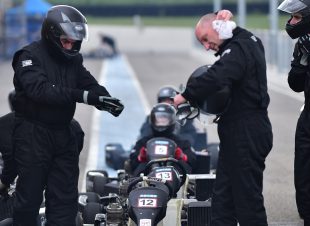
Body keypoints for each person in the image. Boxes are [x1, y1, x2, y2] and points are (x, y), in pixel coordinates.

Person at [11, 5, 124, 226]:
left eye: (75, 42)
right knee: (29, 201)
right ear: (51, 35)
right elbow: (40, 90)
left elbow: (88, 84)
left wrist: (105, 99)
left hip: (63, 135)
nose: (70, 46)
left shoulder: (73, 60)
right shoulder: (28, 57)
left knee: (65, 201)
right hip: (33, 135)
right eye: (66, 41)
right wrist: (84, 96)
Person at [173, 11, 273, 226]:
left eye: (206, 39)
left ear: (218, 28)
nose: (207, 47)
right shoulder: (244, 43)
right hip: (237, 133)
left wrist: (185, 95)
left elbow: (218, 75)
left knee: (248, 203)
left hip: (247, 132)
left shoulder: (240, 47)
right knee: (223, 202)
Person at [278, 0, 310, 225]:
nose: (291, 22)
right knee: (303, 174)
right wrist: (301, 63)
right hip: (309, 116)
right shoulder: (304, 42)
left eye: (296, 18)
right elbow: (296, 85)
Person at [129, 103, 197, 176]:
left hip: (173, 174)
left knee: (183, 166)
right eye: (158, 118)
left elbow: (193, 160)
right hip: (149, 173)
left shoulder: (181, 143)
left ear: (171, 119)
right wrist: (141, 157)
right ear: (153, 119)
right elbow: (132, 161)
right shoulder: (143, 142)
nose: (161, 120)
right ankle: (142, 185)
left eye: (164, 117)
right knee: (140, 167)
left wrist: (182, 156)